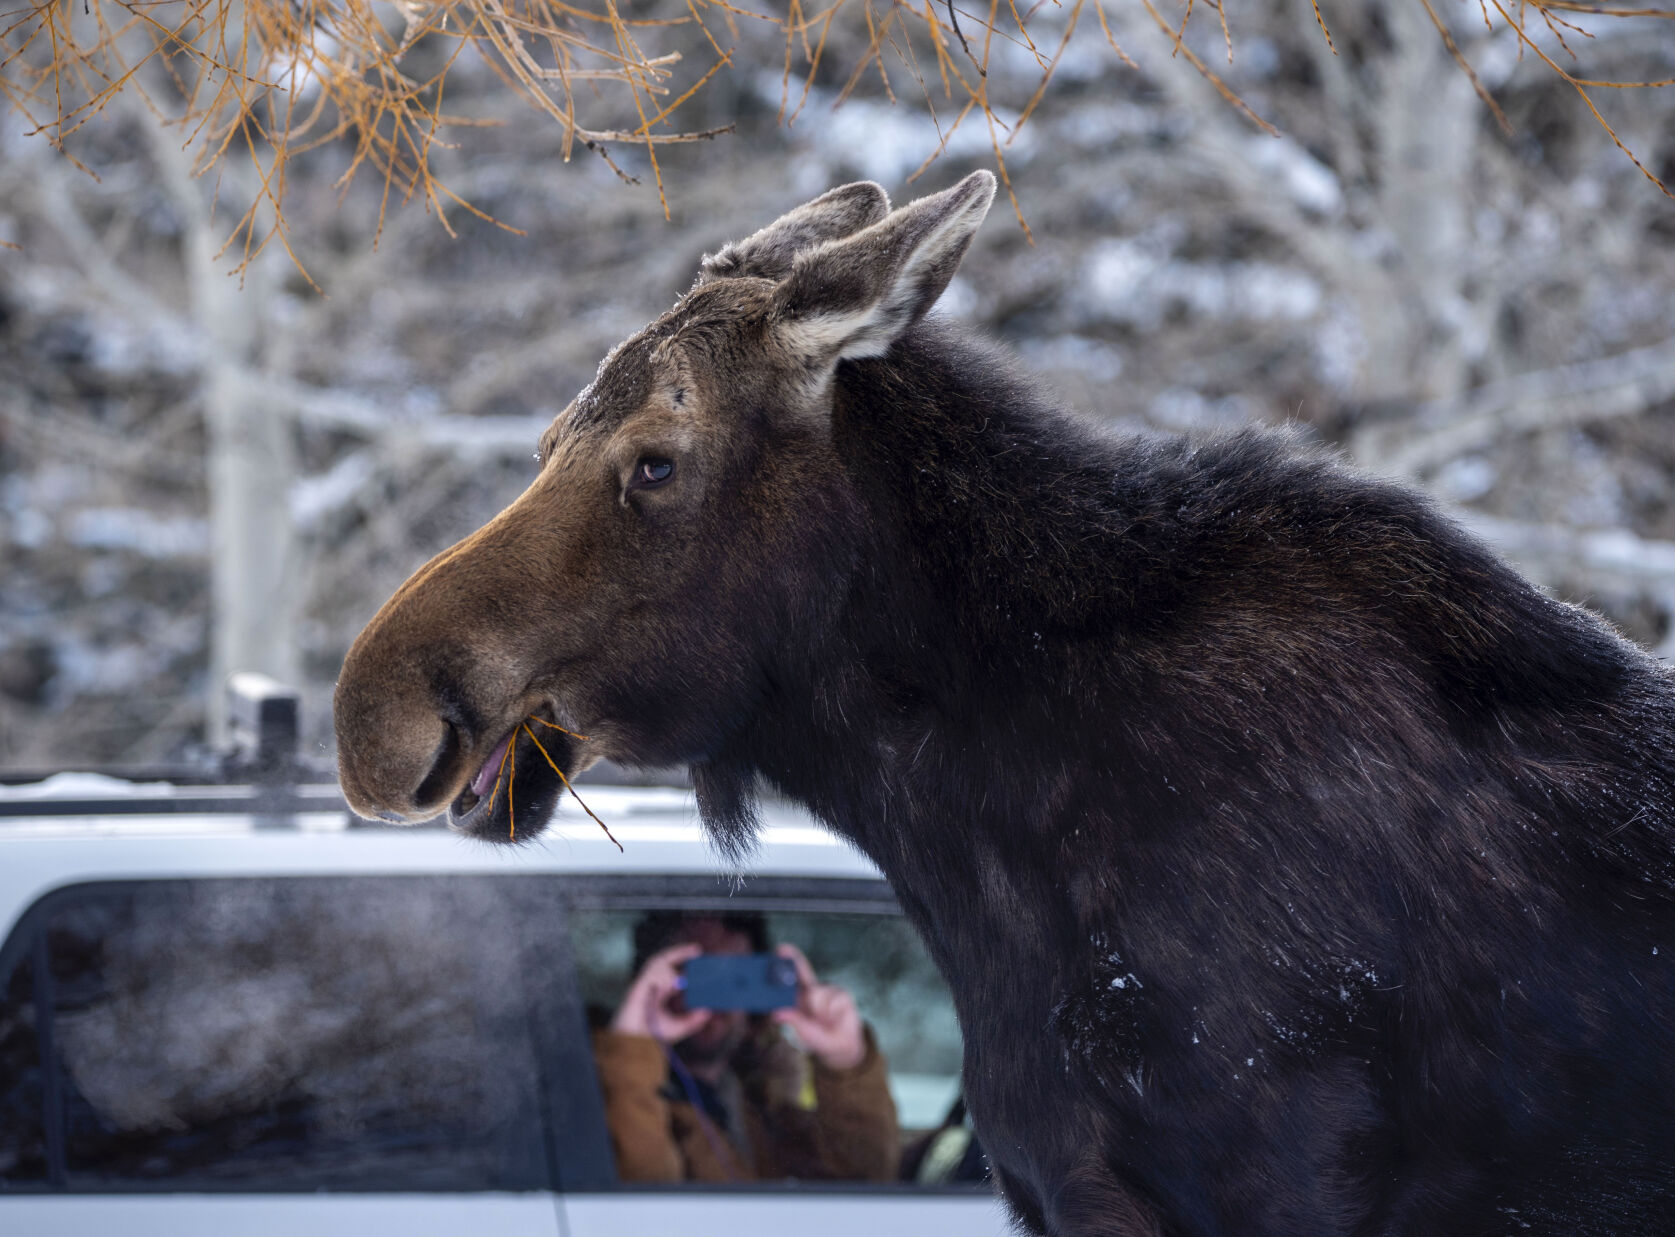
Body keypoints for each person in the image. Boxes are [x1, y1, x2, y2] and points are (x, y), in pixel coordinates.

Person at [592, 910, 900, 1183]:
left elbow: (864, 1184)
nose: (716, 999)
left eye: (736, 978)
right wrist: (632, 1045)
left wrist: (845, 1060)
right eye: (699, 973)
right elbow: (642, 1200)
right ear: (646, 978)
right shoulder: (598, 1094)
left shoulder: (762, 1110)